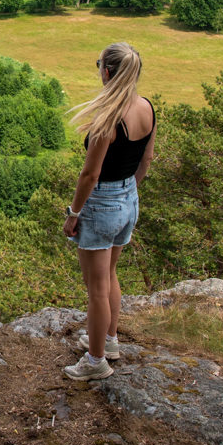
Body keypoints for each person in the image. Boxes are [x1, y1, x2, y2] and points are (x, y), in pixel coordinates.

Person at [60, 42, 154, 381]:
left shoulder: (107, 120)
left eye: (99, 63)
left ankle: (96, 361)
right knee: (111, 275)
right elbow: (146, 160)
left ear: (108, 72)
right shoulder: (146, 107)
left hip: (101, 205)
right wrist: (127, 192)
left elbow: (90, 175)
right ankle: (109, 341)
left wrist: (74, 213)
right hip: (129, 198)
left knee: (96, 289)